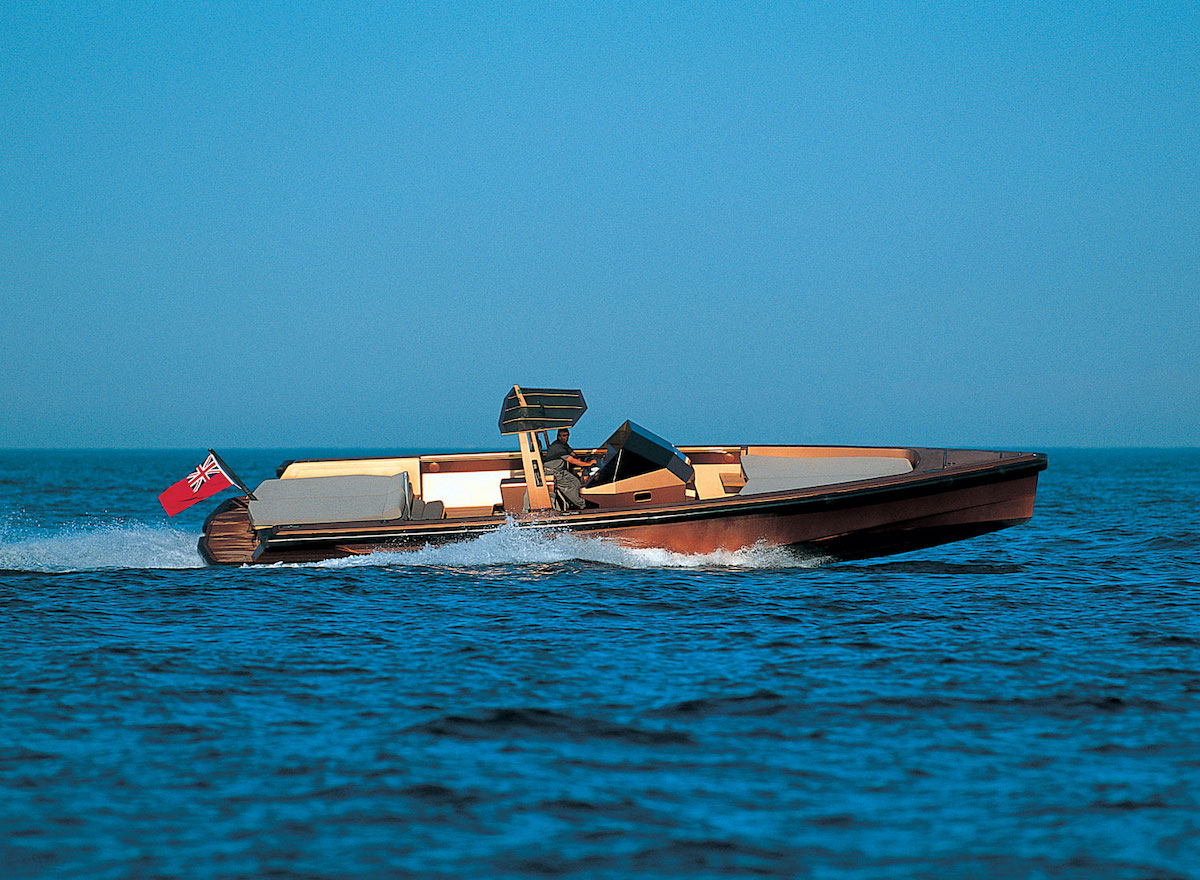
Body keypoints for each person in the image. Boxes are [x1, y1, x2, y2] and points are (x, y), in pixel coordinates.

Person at [542, 428, 594, 511]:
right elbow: (571, 460)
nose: (565, 438)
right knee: (571, 486)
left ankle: (575, 501)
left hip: (560, 471)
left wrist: (583, 461)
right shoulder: (557, 447)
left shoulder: (564, 445)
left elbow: (573, 455)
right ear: (558, 437)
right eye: (563, 436)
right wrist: (588, 464)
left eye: (567, 435)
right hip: (552, 473)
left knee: (576, 481)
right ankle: (580, 504)